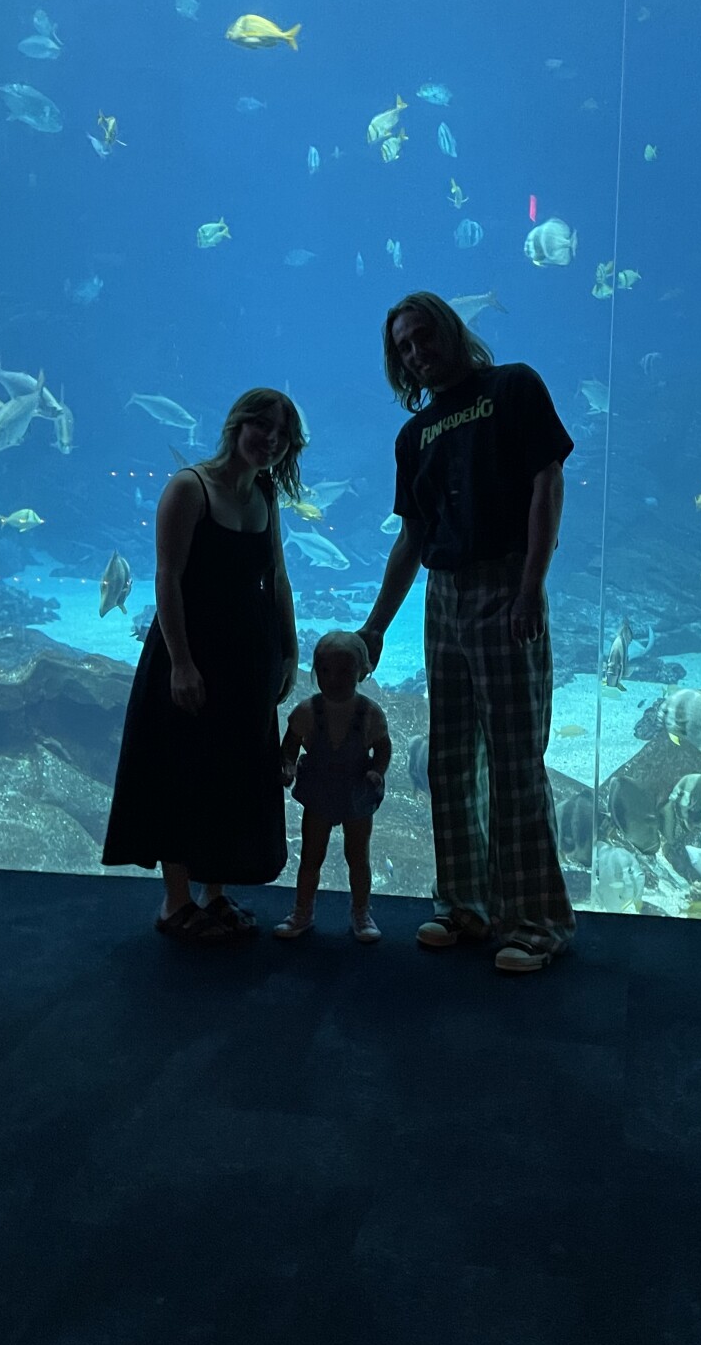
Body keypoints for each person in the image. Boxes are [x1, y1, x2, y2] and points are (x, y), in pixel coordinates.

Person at [358, 292, 577, 974]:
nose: (416, 352)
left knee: (514, 758)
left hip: (504, 581)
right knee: (450, 758)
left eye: (423, 336)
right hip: (443, 595)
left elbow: (547, 481)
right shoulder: (413, 435)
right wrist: (373, 629)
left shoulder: (511, 386)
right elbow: (411, 538)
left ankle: (536, 919)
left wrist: (530, 585)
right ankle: (464, 905)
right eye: (402, 346)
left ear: (450, 332)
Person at [102, 388, 306, 942]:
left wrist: (289, 650)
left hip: (249, 657)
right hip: (192, 651)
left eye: (283, 434)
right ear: (236, 425)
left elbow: (278, 577)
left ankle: (214, 894)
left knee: (234, 774)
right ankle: (175, 903)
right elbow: (167, 578)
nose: (271, 440)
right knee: (182, 770)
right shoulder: (189, 488)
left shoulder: (265, 491)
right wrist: (182, 664)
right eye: (262, 426)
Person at [276, 631, 392, 943]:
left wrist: (378, 772)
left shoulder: (370, 713)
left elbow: (382, 747)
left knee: (359, 858)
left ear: (362, 672)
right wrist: (286, 766)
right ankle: (302, 911)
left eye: (344, 671)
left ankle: (361, 912)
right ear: (314, 671)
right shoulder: (306, 711)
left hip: (356, 795)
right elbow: (289, 747)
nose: (333, 679)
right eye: (325, 671)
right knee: (311, 856)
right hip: (318, 795)